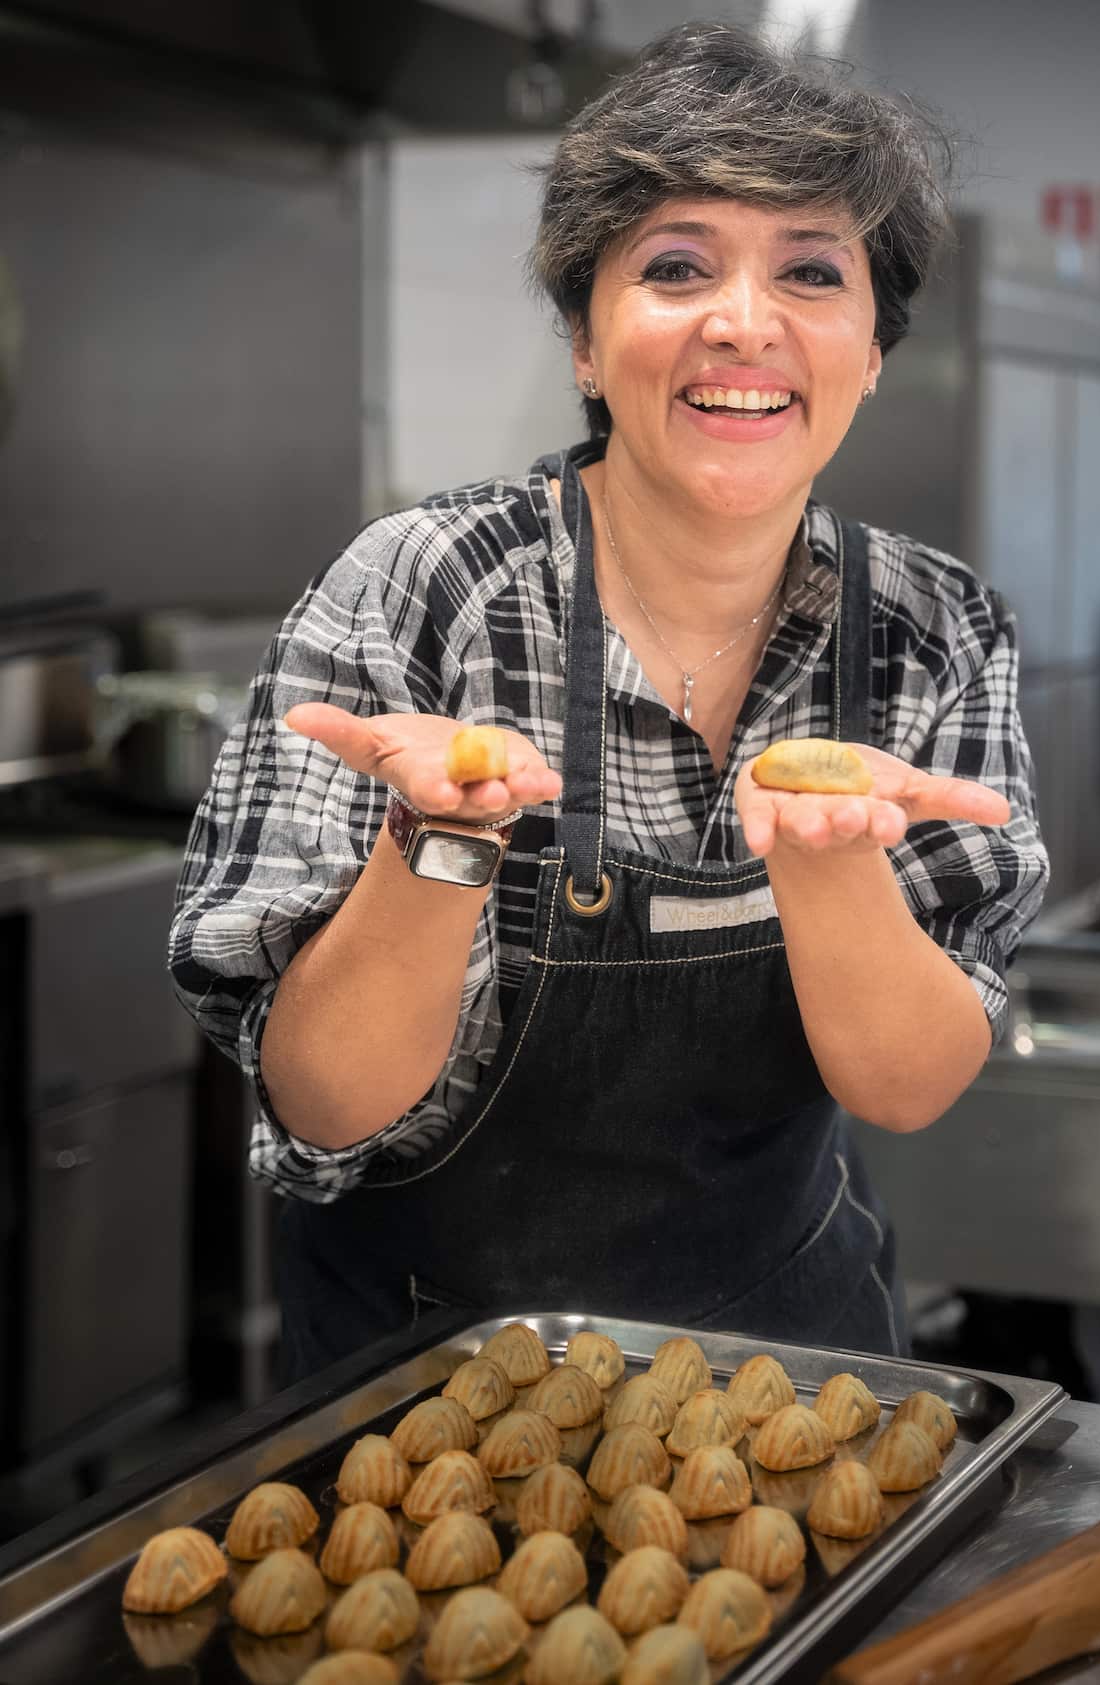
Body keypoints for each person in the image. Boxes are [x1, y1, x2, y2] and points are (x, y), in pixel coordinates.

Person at [170, 22, 1048, 1383]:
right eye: (677, 266)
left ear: (874, 351)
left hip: (789, 1373)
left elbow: (907, 1084)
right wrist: (443, 841)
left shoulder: (933, 633)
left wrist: (829, 863)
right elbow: (322, 1095)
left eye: (812, 271)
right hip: (434, 1375)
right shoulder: (424, 591)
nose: (744, 321)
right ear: (586, 339)